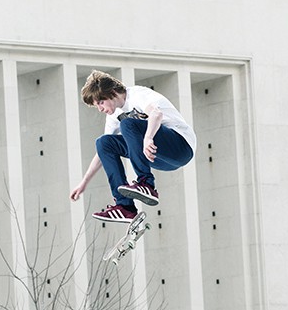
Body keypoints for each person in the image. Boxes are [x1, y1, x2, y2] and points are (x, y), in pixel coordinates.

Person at [70, 70, 196, 222]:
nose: (100, 109)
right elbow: (102, 154)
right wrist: (84, 183)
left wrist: (148, 137)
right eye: (97, 106)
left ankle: (146, 183)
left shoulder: (137, 94)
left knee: (127, 124)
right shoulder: (113, 116)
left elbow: (156, 114)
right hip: (158, 157)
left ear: (112, 92)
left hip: (180, 146)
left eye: (101, 103)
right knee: (103, 142)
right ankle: (125, 207)